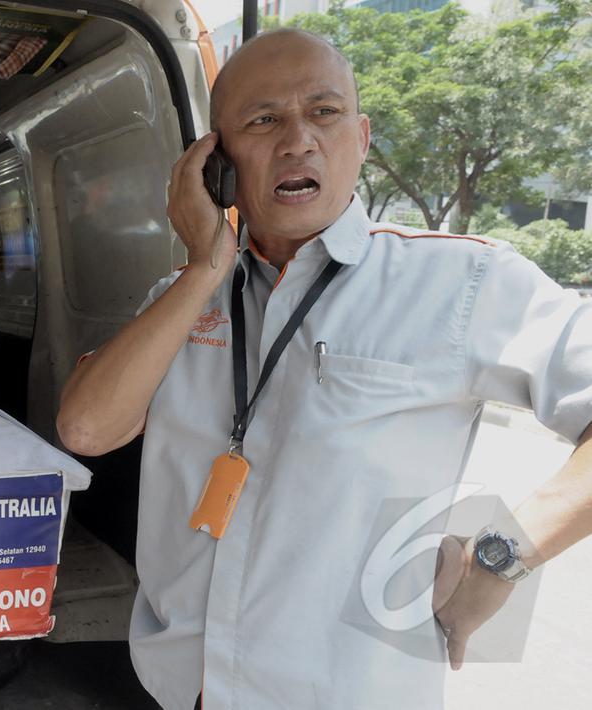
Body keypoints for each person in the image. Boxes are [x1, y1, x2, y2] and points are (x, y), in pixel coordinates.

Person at [56, 29, 592, 710]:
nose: (298, 140)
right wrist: (203, 266)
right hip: (178, 686)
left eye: (324, 112)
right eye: (263, 119)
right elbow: (85, 429)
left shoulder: (463, 280)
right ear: (213, 164)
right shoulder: (180, 297)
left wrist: (505, 553)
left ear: (361, 138)